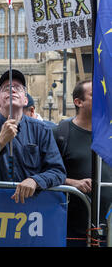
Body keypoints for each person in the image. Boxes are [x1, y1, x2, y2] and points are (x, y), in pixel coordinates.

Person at [0, 69, 66, 204]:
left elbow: (57, 171)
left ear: (25, 100)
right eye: (6, 88)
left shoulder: (41, 130)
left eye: (18, 88)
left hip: (30, 209)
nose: (12, 90)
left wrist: (35, 180)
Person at [52, 80, 112, 246]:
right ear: (78, 102)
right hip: (71, 231)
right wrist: (72, 183)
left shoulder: (108, 135)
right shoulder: (60, 133)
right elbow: (45, 172)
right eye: (94, 95)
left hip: (106, 231)